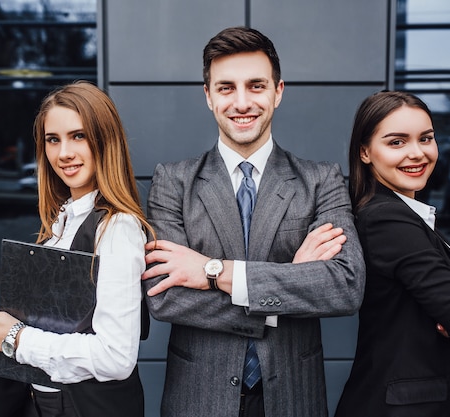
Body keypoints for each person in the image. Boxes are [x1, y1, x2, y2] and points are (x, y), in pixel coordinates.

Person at [140, 26, 366, 417]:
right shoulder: (173, 180)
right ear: (208, 96)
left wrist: (212, 271)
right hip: (198, 399)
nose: (242, 102)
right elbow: (165, 296)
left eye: (256, 86)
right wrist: (287, 287)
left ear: (278, 91)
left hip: (294, 398)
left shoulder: (321, 179)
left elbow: (344, 285)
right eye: (226, 88)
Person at [0, 81, 153, 417]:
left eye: (79, 136)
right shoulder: (61, 223)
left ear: (105, 140)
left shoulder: (116, 228)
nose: (64, 153)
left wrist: (18, 337)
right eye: (53, 139)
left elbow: (115, 358)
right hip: (39, 402)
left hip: (81, 408)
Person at [334, 90, 450, 417]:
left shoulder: (405, 215)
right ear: (365, 152)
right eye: (397, 142)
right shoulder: (387, 220)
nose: (417, 153)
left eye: (425, 139)